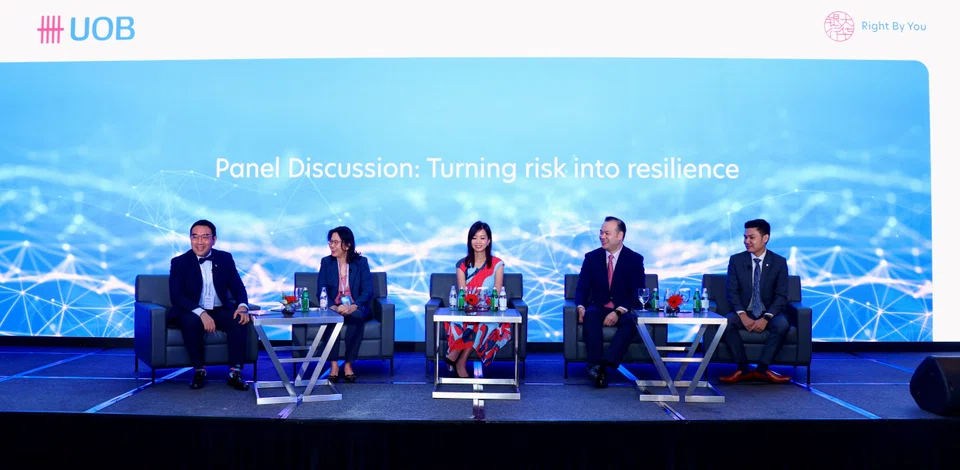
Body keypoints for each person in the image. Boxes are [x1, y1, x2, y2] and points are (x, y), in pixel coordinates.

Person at [167, 219, 251, 391]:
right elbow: (177, 296)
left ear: (214, 239)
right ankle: (199, 370)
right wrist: (201, 313)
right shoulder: (179, 262)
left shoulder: (225, 258)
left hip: (218, 309)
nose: (199, 242)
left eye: (205, 237)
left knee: (238, 320)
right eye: (195, 237)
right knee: (192, 321)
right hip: (189, 310)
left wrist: (243, 306)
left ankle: (235, 373)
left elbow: (237, 286)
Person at [717, 219, 792, 384]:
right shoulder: (736, 260)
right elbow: (732, 291)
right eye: (745, 237)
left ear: (765, 238)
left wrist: (766, 318)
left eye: (751, 237)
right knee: (726, 323)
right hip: (744, 310)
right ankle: (743, 369)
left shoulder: (779, 262)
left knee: (782, 325)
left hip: (769, 311)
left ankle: (762, 370)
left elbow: (781, 295)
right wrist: (742, 315)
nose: (746, 241)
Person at [575, 216, 646, 388]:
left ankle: (605, 363)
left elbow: (636, 293)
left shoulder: (634, 259)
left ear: (620, 236)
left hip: (623, 308)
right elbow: (582, 287)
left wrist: (618, 311)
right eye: (601, 232)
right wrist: (581, 306)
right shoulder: (591, 258)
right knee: (590, 314)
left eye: (607, 233)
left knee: (631, 320)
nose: (602, 236)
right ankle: (595, 365)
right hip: (599, 306)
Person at [442, 221, 511, 378]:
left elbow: (497, 292)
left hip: (490, 310)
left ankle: (457, 357)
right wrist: (471, 307)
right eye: (474, 238)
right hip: (468, 309)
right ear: (469, 240)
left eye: (482, 238)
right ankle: (459, 361)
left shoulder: (497, 264)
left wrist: (484, 307)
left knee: (483, 323)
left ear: (489, 241)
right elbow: (462, 292)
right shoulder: (462, 264)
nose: (478, 242)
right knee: (469, 321)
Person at [317, 226, 373, 383]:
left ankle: (348, 364)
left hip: (355, 306)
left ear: (347, 245)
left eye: (335, 242)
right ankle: (334, 365)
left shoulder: (361, 262)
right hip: (334, 307)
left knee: (357, 316)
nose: (331, 246)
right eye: (330, 242)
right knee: (330, 318)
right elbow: (320, 290)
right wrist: (334, 307)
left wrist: (353, 306)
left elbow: (368, 291)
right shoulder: (326, 262)